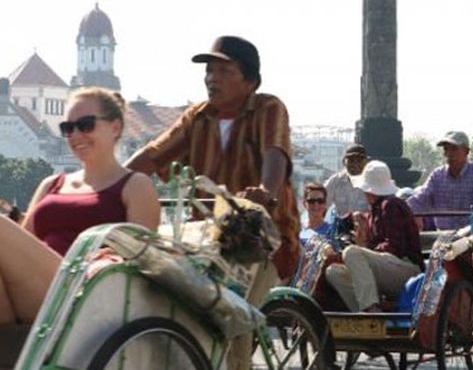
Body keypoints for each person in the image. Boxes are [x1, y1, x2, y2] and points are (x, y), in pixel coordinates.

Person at [125, 36, 300, 370]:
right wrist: (110, 182)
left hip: (263, 239)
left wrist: (265, 190)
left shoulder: (268, 108)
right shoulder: (198, 117)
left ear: (249, 80)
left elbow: (274, 154)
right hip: (207, 241)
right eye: (208, 70)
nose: (211, 78)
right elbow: (152, 154)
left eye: (223, 70)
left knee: (231, 320)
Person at [0, 87, 160, 326]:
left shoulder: (135, 185)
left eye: (86, 125)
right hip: (38, 289)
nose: (75, 135)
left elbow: (142, 260)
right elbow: (24, 246)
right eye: (67, 128)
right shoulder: (51, 184)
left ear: (115, 127)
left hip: (85, 292)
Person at [325, 161, 423, 312]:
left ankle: (371, 308)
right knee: (333, 271)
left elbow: (395, 248)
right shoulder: (374, 212)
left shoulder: (391, 205)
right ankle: (362, 312)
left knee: (352, 252)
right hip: (388, 267)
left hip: (407, 270)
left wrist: (364, 248)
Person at [407, 131, 473, 230]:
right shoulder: (437, 175)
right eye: (446, 149)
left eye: (454, 149)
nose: (449, 154)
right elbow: (420, 199)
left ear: (466, 151)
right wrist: (401, 208)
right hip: (444, 238)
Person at [324, 144, 369, 221]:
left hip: (366, 228)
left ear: (366, 162)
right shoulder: (335, 181)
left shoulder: (373, 182)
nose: (355, 164)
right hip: (341, 228)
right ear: (344, 162)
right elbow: (321, 206)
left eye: (359, 161)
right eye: (351, 161)